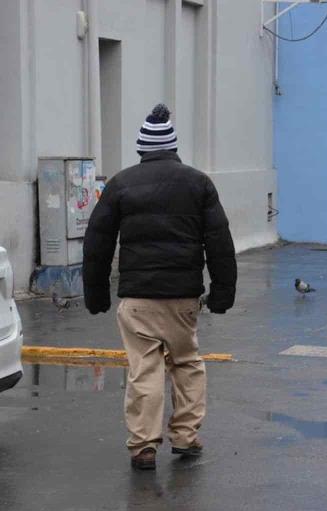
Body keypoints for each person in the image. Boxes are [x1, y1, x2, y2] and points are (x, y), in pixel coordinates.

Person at [82, 103, 237, 471]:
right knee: (186, 363)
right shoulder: (199, 183)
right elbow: (219, 242)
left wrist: (96, 294)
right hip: (182, 298)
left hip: (137, 298)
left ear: (141, 149)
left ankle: (143, 446)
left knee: (144, 369)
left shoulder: (121, 184)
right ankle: (185, 436)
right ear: (173, 147)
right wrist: (221, 293)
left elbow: (97, 242)